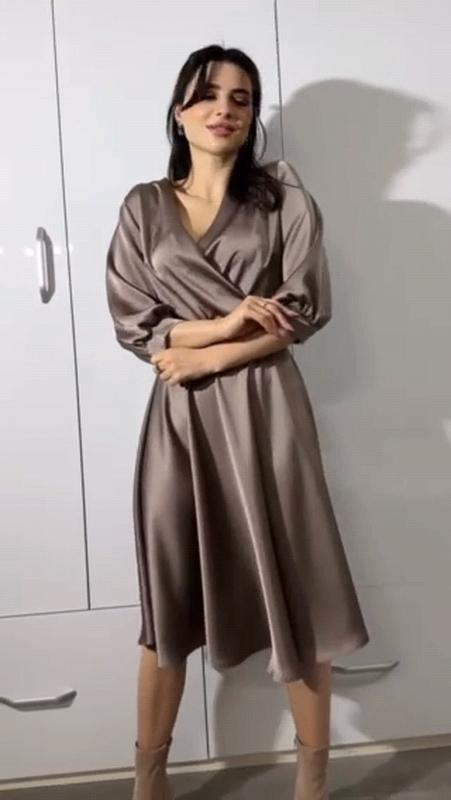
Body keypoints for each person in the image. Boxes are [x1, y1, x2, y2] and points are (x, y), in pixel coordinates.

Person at [105, 44, 370, 800]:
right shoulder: (142, 206)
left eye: (242, 98)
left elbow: (303, 308)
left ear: (251, 117)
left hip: (265, 409)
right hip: (180, 423)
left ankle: (311, 784)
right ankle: (148, 780)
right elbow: (135, 323)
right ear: (179, 111)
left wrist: (215, 356)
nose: (224, 108)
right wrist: (221, 326)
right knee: (169, 597)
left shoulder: (283, 198)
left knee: (295, 587)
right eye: (208, 94)